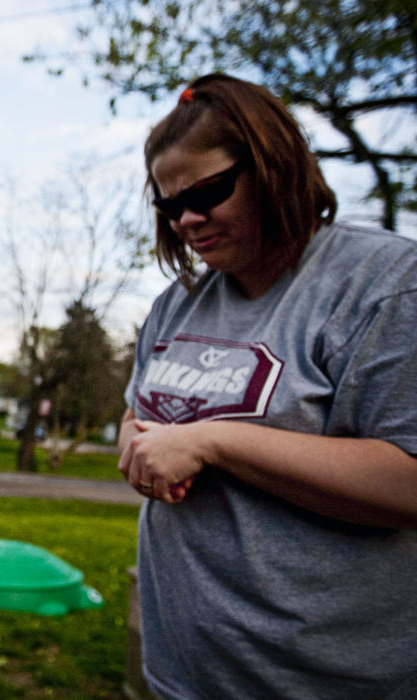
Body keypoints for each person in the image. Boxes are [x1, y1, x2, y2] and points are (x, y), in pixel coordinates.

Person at [119, 73, 417, 698]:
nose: (187, 221)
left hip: (325, 680)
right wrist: (139, 447)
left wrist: (214, 443)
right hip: (184, 673)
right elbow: (139, 416)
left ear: (274, 166)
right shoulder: (177, 305)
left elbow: (406, 482)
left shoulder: (385, 285)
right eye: (170, 206)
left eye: (208, 192)